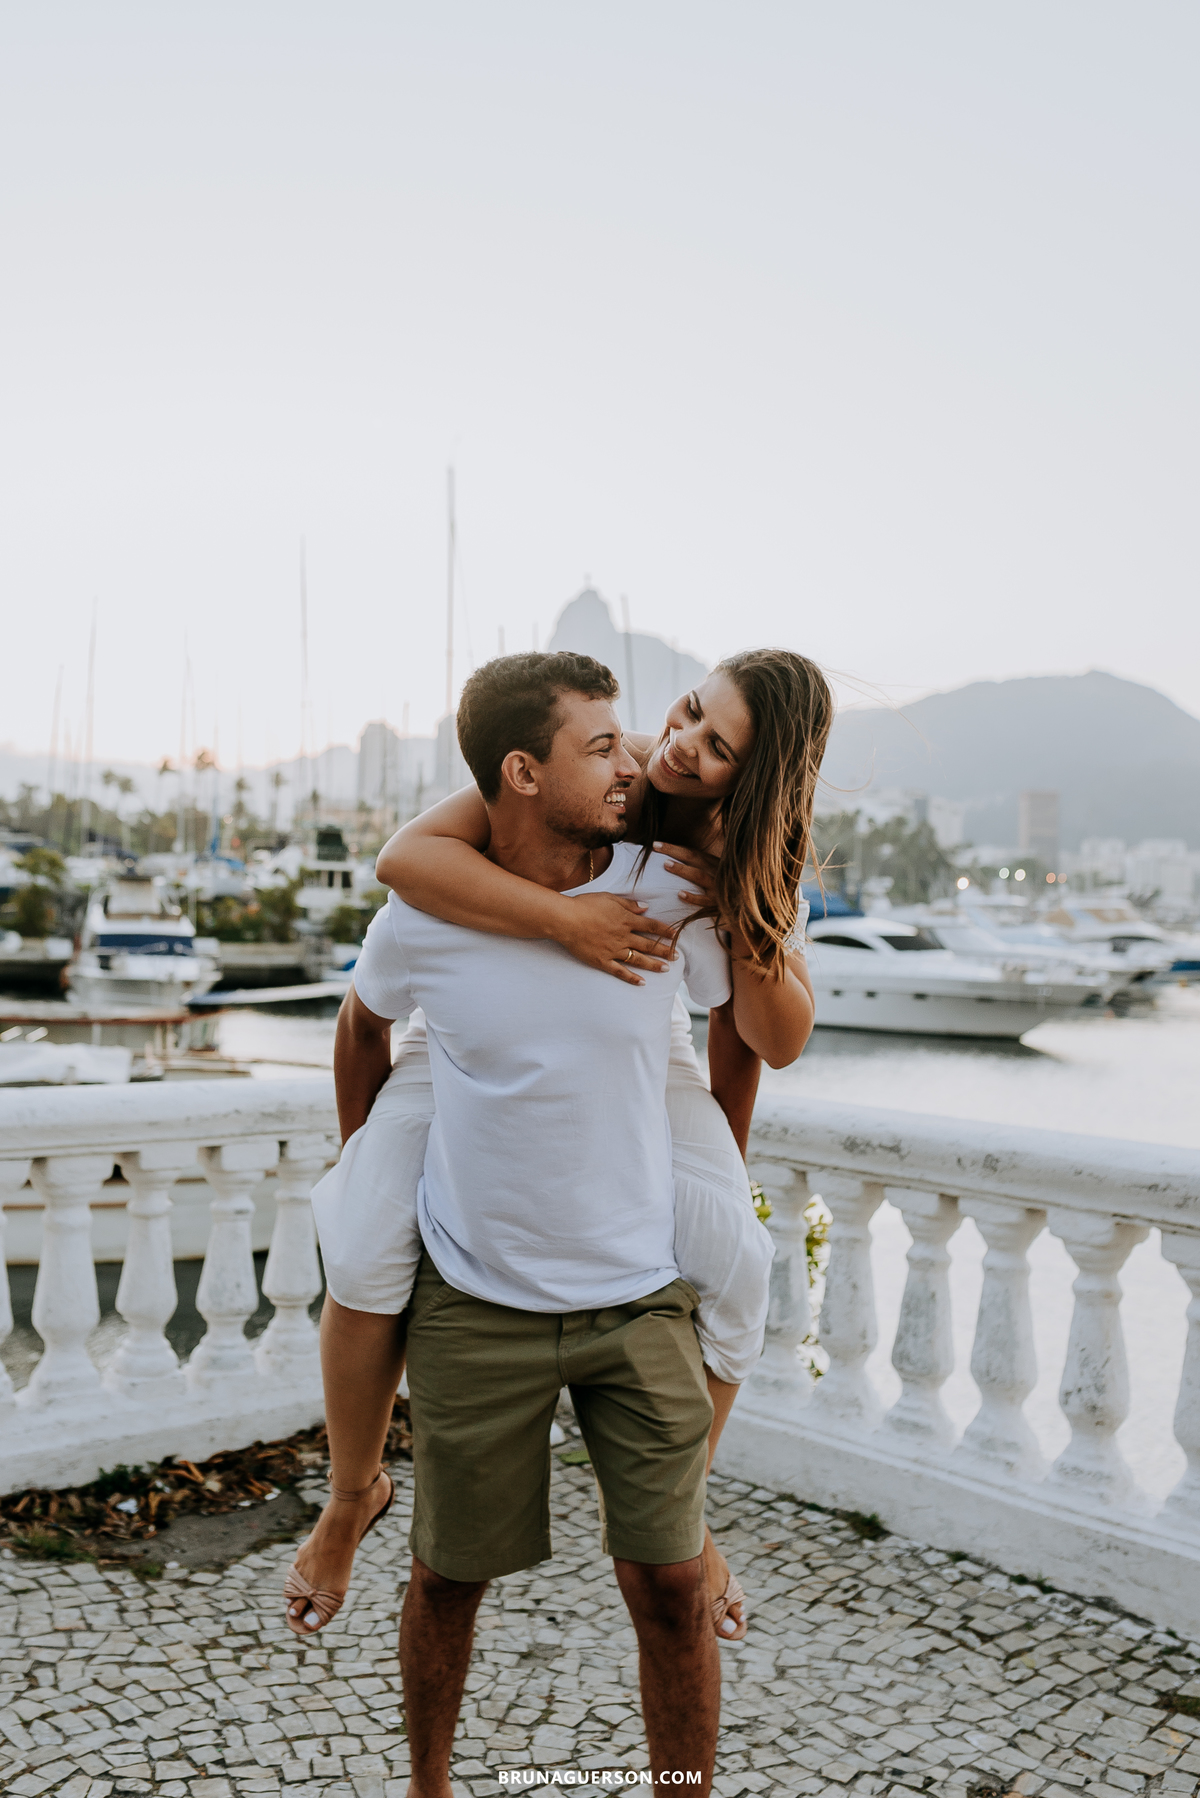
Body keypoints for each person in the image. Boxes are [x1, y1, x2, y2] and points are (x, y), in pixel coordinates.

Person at [291, 646, 833, 1648]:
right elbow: (406, 860)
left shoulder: (734, 851)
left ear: (751, 781)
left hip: (645, 1041)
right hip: (469, 1038)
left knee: (740, 1263)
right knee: (364, 1235)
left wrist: (718, 1159)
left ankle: (689, 1509)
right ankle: (350, 1492)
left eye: (715, 749)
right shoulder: (599, 752)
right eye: (688, 711)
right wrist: (566, 922)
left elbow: (758, 1040)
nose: (675, 747)